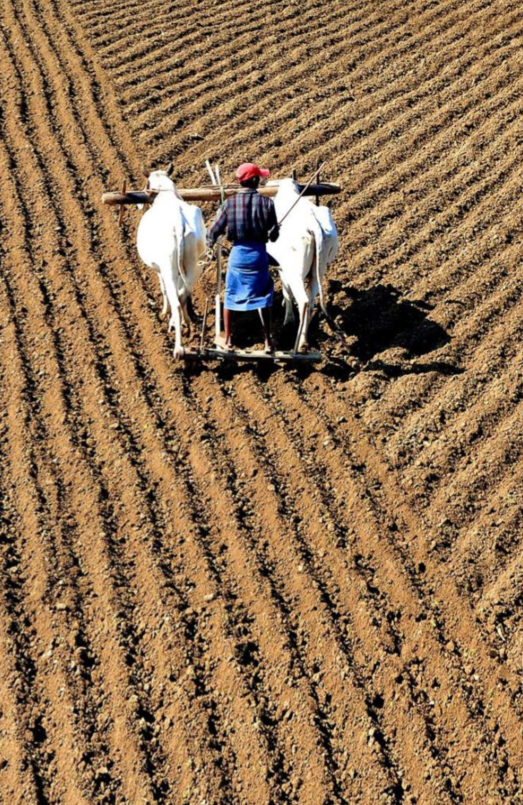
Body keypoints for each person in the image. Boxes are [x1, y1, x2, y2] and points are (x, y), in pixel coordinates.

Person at [207, 162, 280, 353]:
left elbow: (213, 232)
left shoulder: (229, 203)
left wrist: (209, 244)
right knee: (264, 295)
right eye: (260, 178)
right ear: (255, 180)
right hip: (259, 256)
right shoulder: (267, 204)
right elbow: (273, 237)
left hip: (238, 255)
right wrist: (275, 228)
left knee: (230, 294)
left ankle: (228, 340)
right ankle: (267, 342)